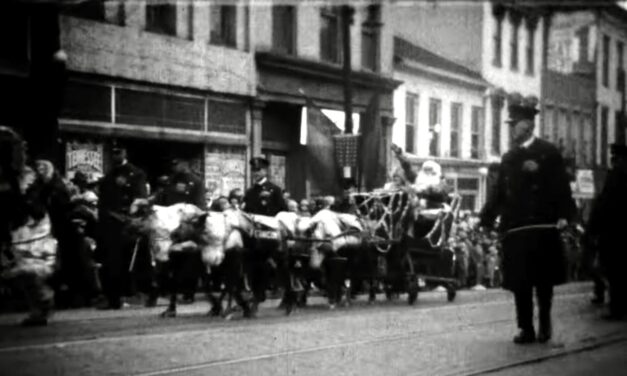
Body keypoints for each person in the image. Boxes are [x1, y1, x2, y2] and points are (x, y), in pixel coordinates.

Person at [479, 95, 575, 344]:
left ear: (529, 125)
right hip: (517, 228)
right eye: (511, 124)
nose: (511, 129)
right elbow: (499, 193)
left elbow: (562, 188)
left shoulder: (548, 153)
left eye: (515, 124)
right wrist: (486, 220)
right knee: (520, 282)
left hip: (542, 226)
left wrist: (565, 215)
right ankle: (525, 328)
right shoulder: (509, 158)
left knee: (543, 282)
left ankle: (544, 323)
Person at [97, 143, 147, 309]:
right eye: (113, 153)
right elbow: (104, 200)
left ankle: (132, 293)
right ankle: (113, 297)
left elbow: (140, 198)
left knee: (127, 261)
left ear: (125, 153)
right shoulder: (109, 174)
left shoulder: (136, 173)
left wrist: (133, 217)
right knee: (111, 261)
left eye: (118, 152)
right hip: (110, 222)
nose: (115, 156)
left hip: (127, 223)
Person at [154, 158, 206, 305]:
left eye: (177, 164)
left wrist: (190, 222)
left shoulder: (196, 182)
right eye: (173, 164)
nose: (174, 167)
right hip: (170, 226)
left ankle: (189, 292)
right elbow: (162, 202)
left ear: (185, 164)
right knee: (169, 259)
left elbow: (200, 206)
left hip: (187, 226)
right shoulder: (169, 181)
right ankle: (168, 290)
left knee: (189, 260)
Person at [586, 144, 627, 320]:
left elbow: (604, 204)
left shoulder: (616, 175)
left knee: (615, 271)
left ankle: (617, 308)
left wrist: (591, 230)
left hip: (615, 232)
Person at [242, 157, 287, 311]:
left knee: (262, 262)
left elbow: (283, 212)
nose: (256, 173)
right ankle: (253, 292)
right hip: (253, 235)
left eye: (259, 170)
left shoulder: (275, 190)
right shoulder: (249, 192)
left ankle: (259, 294)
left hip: (270, 234)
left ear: (265, 171)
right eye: (254, 170)